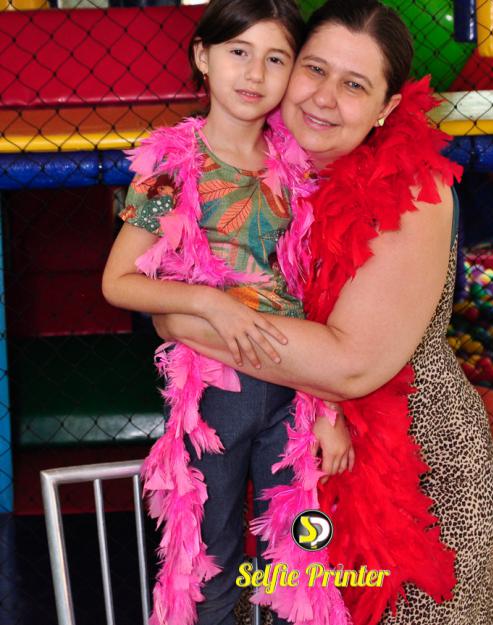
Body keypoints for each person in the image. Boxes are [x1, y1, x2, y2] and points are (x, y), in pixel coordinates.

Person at [152, 2, 493, 625]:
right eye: (314, 69)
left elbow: (348, 365)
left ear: (386, 107)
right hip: (289, 456)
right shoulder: (251, 165)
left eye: (354, 85)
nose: (323, 98)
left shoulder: (414, 188)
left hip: (414, 477)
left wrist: (187, 319)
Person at [102, 3, 354, 625]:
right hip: (215, 394)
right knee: (207, 562)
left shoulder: (299, 166)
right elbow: (118, 282)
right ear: (203, 56)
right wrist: (208, 301)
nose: (255, 73)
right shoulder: (172, 165)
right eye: (239, 52)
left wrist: (328, 408)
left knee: (301, 562)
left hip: (294, 393)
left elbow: (317, 296)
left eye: (276, 59)